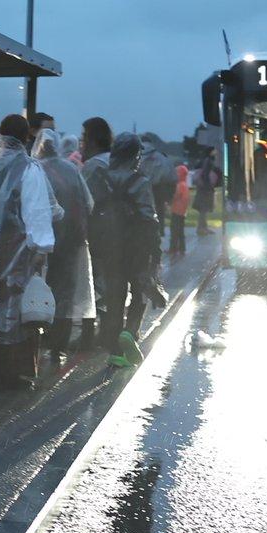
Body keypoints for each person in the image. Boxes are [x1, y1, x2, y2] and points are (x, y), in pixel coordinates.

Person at [0, 114, 56, 390]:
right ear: (25, 139)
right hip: (19, 252)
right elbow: (37, 213)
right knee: (16, 311)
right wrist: (41, 249)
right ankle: (15, 372)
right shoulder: (30, 169)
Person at [84, 133, 161, 368]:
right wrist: (154, 248)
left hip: (108, 245)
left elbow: (91, 208)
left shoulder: (101, 176)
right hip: (136, 246)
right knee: (140, 290)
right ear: (135, 155)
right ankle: (131, 331)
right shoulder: (139, 181)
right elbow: (149, 217)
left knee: (115, 296)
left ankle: (116, 352)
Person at [32, 127, 95, 363]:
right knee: (65, 293)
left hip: (42, 242)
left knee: (39, 290)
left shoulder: (35, 168)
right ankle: (59, 345)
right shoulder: (70, 169)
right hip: (71, 241)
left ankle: (39, 340)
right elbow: (88, 203)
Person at [191, 149, 218, 236]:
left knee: (203, 210)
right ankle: (201, 229)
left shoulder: (205, 160)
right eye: (214, 150)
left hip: (203, 188)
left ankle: (203, 227)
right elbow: (205, 174)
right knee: (203, 210)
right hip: (205, 189)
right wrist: (208, 186)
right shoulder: (208, 161)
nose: (216, 152)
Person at [168, 160, 192, 257]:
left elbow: (175, 196)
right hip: (182, 212)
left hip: (176, 211)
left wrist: (169, 199)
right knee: (180, 231)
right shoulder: (185, 185)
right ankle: (182, 248)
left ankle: (173, 248)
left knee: (174, 230)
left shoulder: (180, 185)